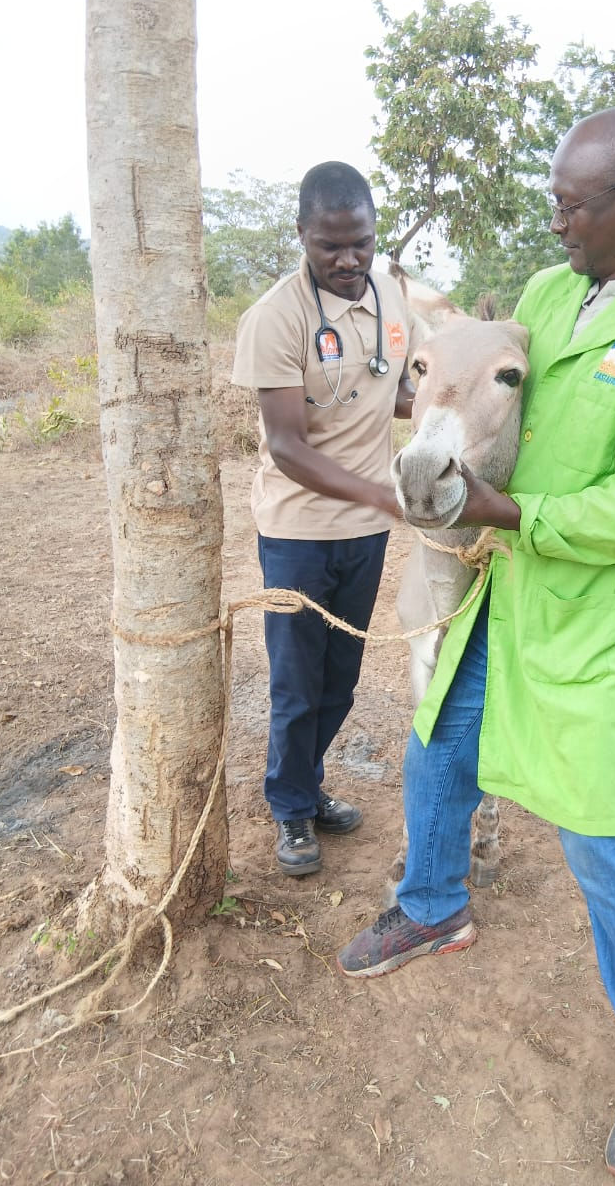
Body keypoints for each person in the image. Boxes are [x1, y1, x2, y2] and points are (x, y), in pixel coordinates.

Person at [337, 109, 615, 1181]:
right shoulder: (551, 295)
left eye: (570, 203)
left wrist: (502, 511)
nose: (553, 218)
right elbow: (490, 403)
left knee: (603, 830)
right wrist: (444, 463)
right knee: (437, 743)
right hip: (502, 588)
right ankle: (433, 904)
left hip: (592, 618)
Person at [231, 162, 419, 877]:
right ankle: (291, 811)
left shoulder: (391, 298)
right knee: (295, 682)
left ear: (376, 235)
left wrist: (439, 411)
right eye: (329, 247)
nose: (347, 261)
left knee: (340, 679)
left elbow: (396, 391)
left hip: (364, 537)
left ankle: (306, 787)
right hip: (298, 532)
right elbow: (286, 447)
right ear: (302, 237)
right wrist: (380, 495)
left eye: (361, 245)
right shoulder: (277, 318)